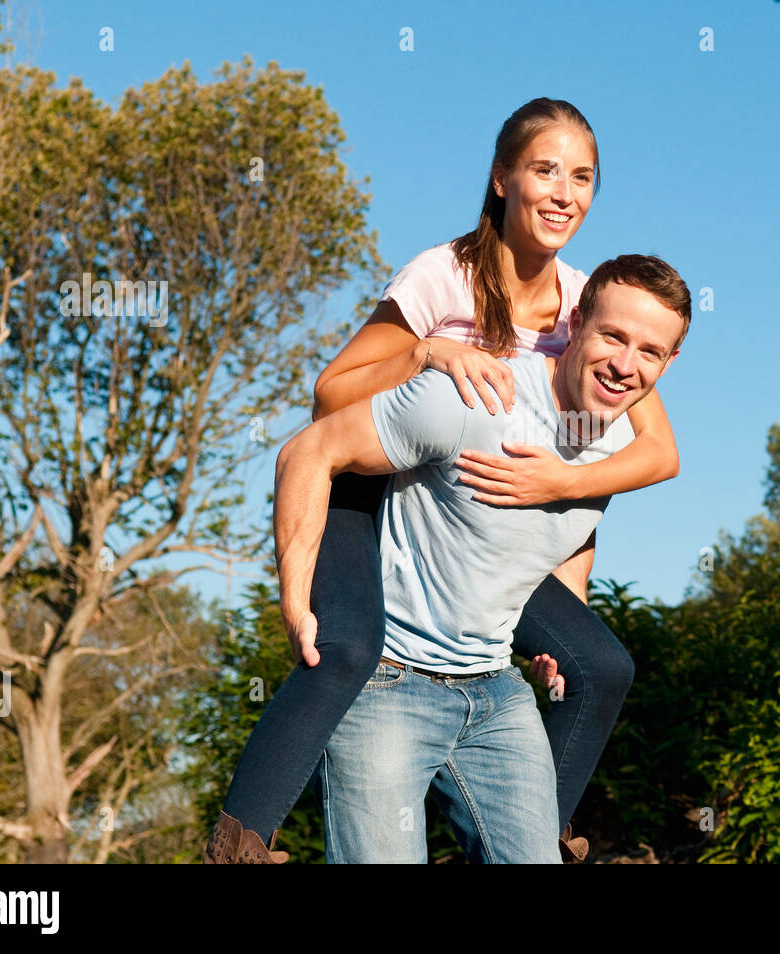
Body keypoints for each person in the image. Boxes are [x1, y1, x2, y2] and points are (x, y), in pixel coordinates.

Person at [205, 98, 680, 864]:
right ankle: (241, 840)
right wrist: (427, 352)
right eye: (545, 170)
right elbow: (332, 397)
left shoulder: (594, 309)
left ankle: (531, 831)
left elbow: (647, 457)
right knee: (350, 648)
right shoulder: (445, 273)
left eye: (583, 177)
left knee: (600, 664)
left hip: (495, 510)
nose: (565, 193)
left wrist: (558, 486)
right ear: (502, 178)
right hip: (378, 477)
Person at [286, 255, 690, 862]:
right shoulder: (474, 398)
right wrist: (295, 600)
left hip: (496, 696)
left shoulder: (622, 443)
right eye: (612, 336)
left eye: (650, 351)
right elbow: (308, 452)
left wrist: (564, 634)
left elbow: (571, 536)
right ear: (577, 322)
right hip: (390, 687)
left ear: (669, 362)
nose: (625, 365)